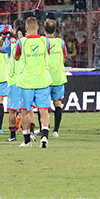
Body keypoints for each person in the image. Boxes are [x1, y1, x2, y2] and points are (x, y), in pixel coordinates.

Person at [12, 17, 52, 148]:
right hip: (42, 80)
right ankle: (44, 137)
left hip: (27, 82)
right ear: (38, 27)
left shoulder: (22, 42)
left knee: (25, 111)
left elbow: (16, 57)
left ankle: (27, 141)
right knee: (43, 110)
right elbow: (48, 53)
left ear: (26, 28)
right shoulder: (45, 41)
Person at [44, 19, 67, 138]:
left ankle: (44, 128)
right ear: (55, 30)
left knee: (43, 105)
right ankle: (56, 130)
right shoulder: (60, 42)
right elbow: (64, 58)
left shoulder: (42, 42)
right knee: (58, 103)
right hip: (58, 76)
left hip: (45, 77)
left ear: (44, 30)